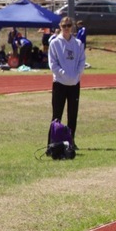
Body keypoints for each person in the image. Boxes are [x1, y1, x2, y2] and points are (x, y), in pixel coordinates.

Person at [48, 16, 86, 149]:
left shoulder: (78, 44)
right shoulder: (54, 43)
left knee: (73, 115)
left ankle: (71, 141)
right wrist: (63, 74)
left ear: (72, 27)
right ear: (60, 27)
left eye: (69, 26)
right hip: (59, 83)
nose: (66, 29)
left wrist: (77, 74)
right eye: (64, 26)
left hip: (74, 84)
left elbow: (82, 61)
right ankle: (52, 142)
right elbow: (53, 64)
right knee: (57, 114)